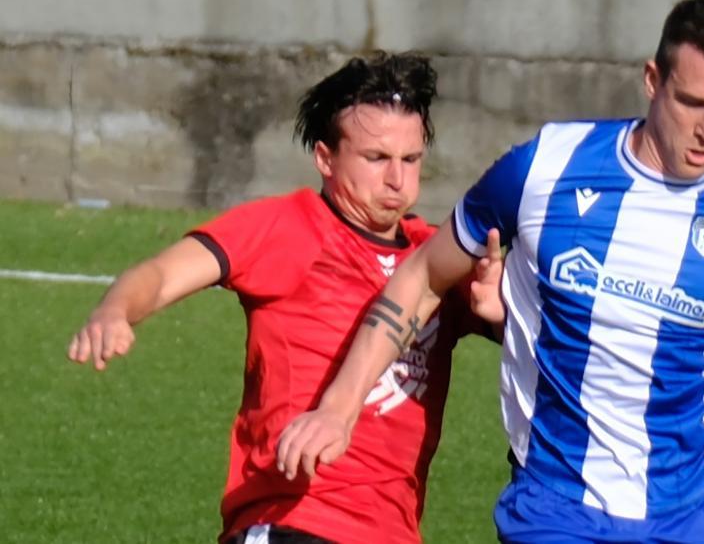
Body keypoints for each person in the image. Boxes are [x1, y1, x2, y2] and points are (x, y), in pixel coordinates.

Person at [275, 0, 704, 544]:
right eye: (693, 102)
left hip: (700, 507)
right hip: (560, 506)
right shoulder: (545, 170)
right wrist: (338, 407)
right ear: (652, 80)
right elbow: (421, 275)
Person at [67, 51, 503, 544]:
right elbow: (161, 274)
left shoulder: (436, 257)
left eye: (411, 159)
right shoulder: (285, 226)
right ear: (325, 158)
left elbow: (548, 338)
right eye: (376, 158)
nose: (397, 180)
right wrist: (115, 311)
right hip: (292, 519)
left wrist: (500, 310)